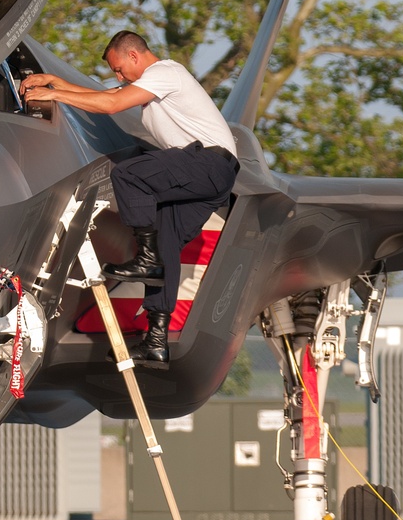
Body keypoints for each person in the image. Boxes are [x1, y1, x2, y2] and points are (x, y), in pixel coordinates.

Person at [20, 30, 239, 365]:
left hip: (208, 163)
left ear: (135, 55)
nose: (119, 76)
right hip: (210, 176)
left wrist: (55, 97)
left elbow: (111, 104)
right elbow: (107, 94)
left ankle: (147, 257)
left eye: (120, 69)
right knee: (166, 246)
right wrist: (56, 83)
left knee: (128, 173)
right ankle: (156, 339)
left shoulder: (166, 72)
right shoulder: (152, 84)